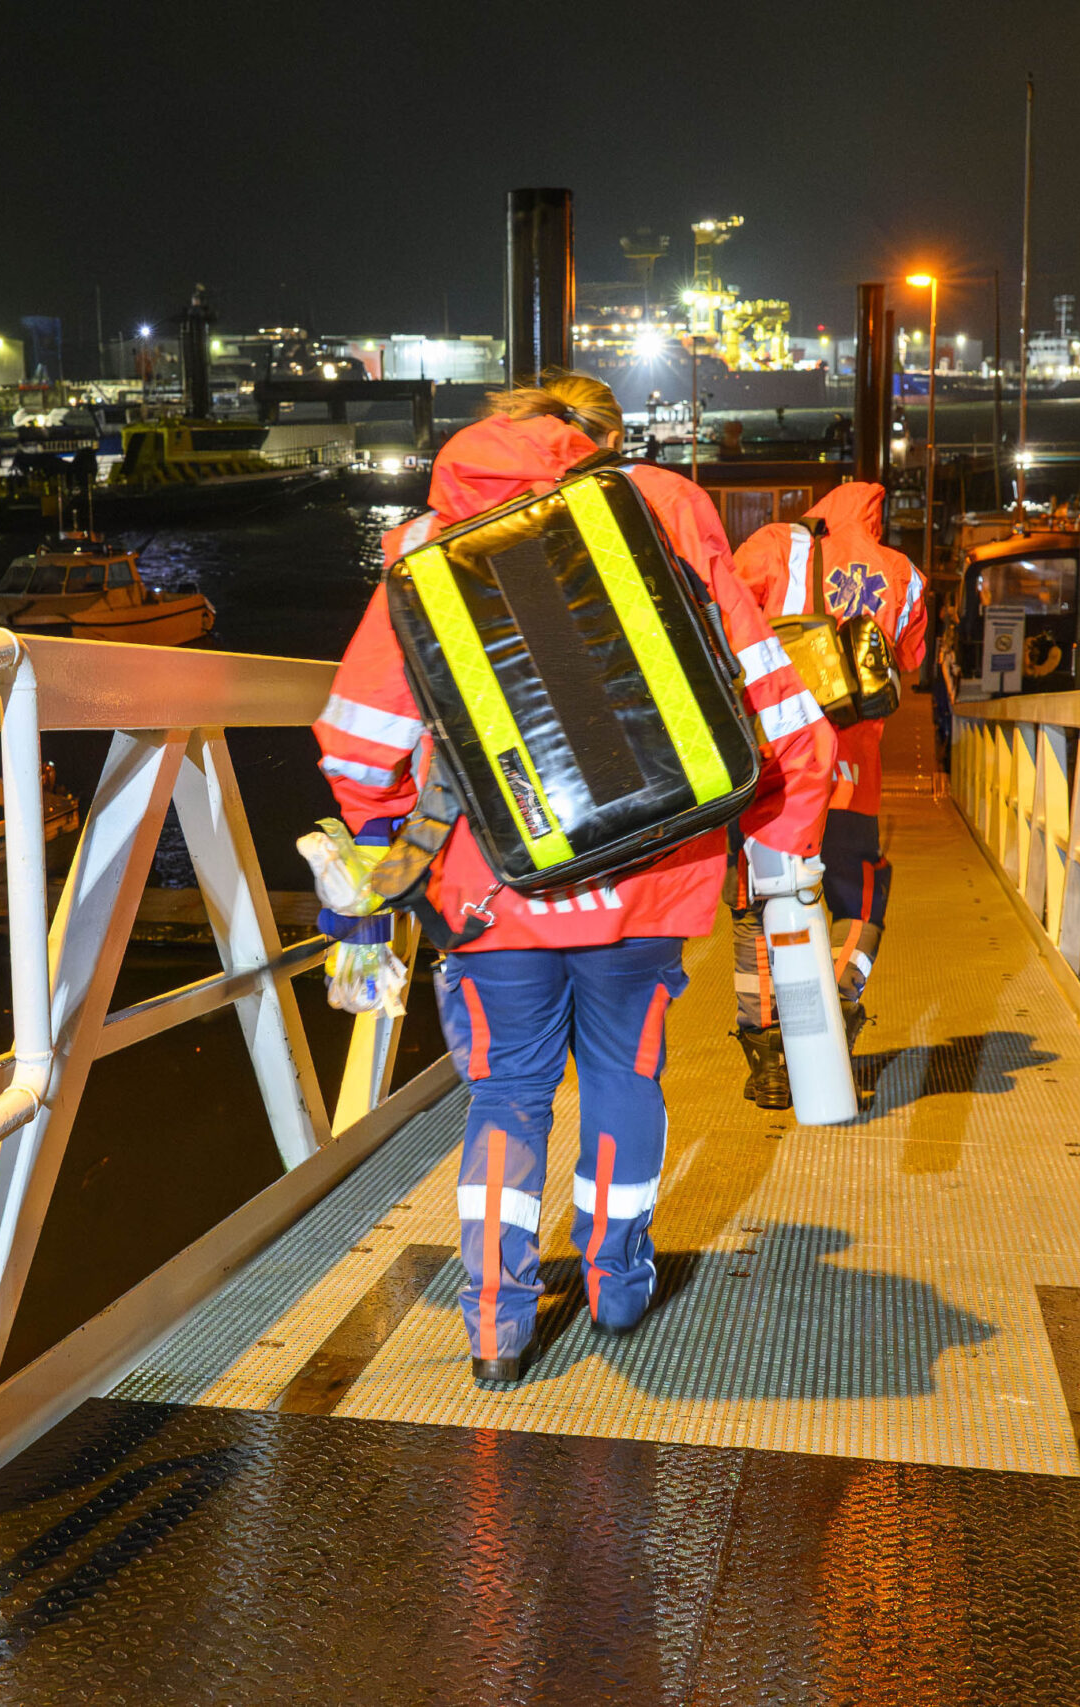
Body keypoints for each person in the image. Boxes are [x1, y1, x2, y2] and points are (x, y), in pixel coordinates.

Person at [310, 370, 835, 1383]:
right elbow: (770, 700)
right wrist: (778, 850)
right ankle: (617, 1280)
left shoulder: (424, 544)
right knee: (625, 1080)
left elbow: (356, 736)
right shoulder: (666, 506)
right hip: (651, 877)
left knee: (507, 1095)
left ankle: (496, 1320)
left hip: (493, 883)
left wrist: (397, 849)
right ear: (598, 438)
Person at [724, 482, 928, 1107]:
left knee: (755, 902)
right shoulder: (904, 573)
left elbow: (722, 621)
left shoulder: (771, 546)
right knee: (858, 896)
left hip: (770, 763)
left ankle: (768, 1057)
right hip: (851, 770)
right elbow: (910, 662)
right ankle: (833, 1017)